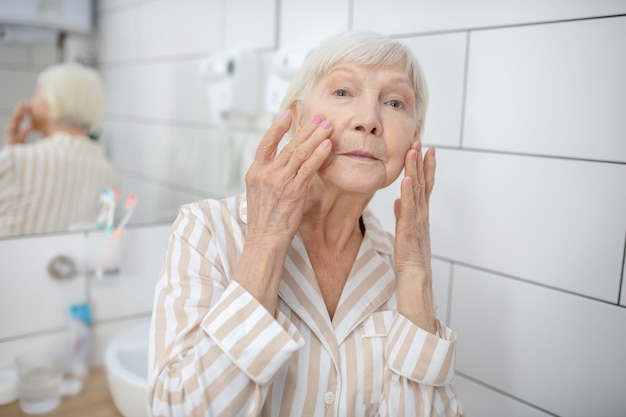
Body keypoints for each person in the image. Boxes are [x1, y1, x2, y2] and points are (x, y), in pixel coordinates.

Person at [148, 31, 463, 416]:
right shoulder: (208, 231)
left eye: (395, 102)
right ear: (297, 118)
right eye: (343, 92)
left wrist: (415, 277)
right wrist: (266, 241)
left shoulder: (400, 268)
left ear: (414, 136)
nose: (369, 120)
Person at [0, 62, 119, 237]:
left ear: (51, 101)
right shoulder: (109, 174)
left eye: (36, 94)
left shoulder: (15, 160)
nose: (30, 105)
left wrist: (10, 150)